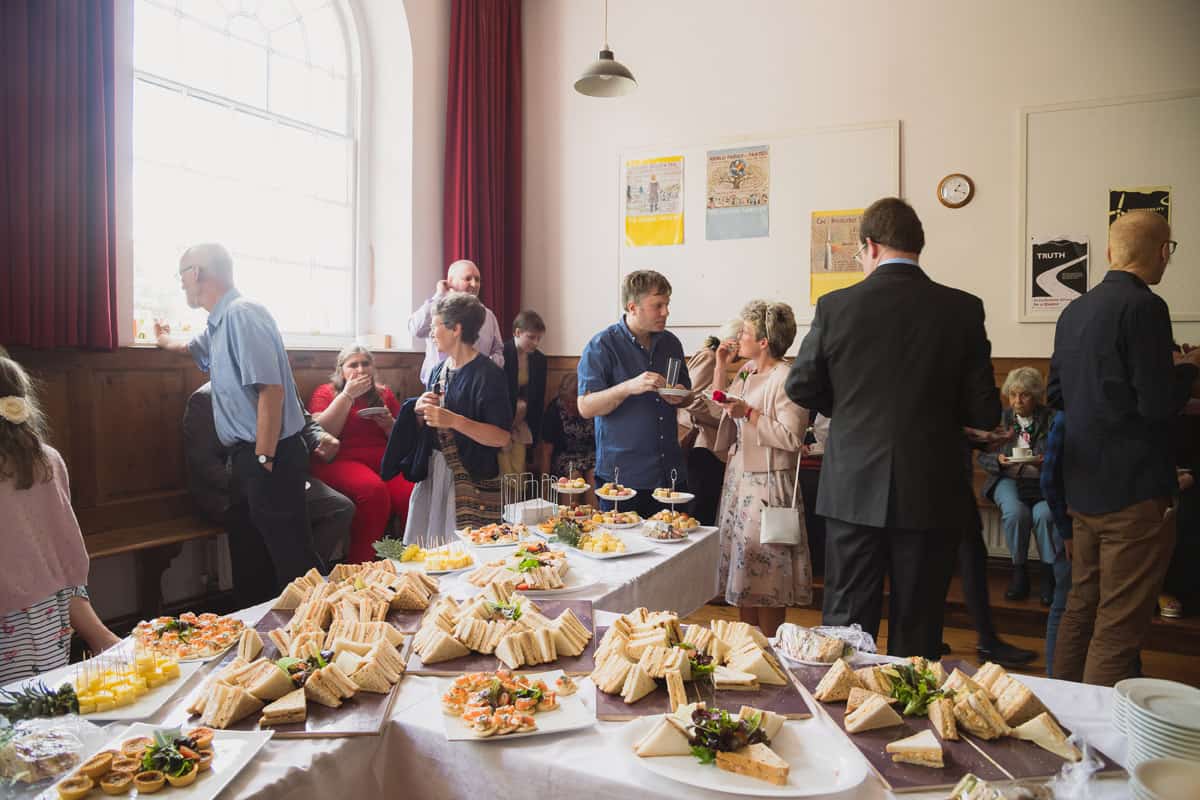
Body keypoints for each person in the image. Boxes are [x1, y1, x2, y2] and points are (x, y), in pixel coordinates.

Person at [785, 197, 1000, 658]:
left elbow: (801, 386)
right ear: (917, 246)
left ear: (870, 246)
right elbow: (985, 412)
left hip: (852, 484)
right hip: (930, 487)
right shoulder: (963, 309)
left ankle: (845, 718)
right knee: (919, 624)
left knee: (845, 623)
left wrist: (848, 410)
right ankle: (910, 724)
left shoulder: (836, 306)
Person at [1049, 209, 1200, 685]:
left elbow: (1056, 395)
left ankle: (1061, 720)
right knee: (1117, 628)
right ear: (1161, 252)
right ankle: (1095, 747)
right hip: (1133, 493)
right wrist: (1187, 369)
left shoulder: (1074, 310)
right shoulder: (1146, 307)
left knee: (1080, 610)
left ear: (1112, 252)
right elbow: (1157, 405)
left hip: (1083, 488)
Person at [155, 243, 323, 588]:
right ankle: (262, 640)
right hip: (246, 459)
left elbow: (270, 390)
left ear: (196, 273)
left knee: (294, 566)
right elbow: (190, 347)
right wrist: (163, 339)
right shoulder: (218, 323)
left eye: (182, 275)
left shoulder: (242, 314)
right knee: (251, 566)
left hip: (269, 455)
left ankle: (327, 638)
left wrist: (263, 459)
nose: (181, 284)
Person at [0, 356, 120, 684]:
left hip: (9, 620)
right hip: (47, 616)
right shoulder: (48, 460)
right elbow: (68, 555)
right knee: (37, 711)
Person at [184, 383, 354, 605]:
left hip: (283, 476)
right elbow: (205, 465)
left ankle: (295, 581)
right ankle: (275, 591)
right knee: (264, 516)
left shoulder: (280, 382)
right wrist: (260, 482)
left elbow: (304, 422)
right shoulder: (205, 399)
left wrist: (320, 438)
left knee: (339, 507)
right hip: (229, 489)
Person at [713, 301, 811, 636]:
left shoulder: (787, 378)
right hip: (740, 479)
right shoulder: (746, 371)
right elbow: (724, 407)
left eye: (746, 333)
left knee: (767, 574)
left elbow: (791, 437)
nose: (738, 337)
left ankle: (771, 646)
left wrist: (751, 414)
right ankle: (748, 645)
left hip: (769, 484)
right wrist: (720, 365)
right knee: (744, 569)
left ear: (765, 341)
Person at [577, 270, 691, 519]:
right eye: (657, 306)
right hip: (622, 477)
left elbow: (687, 394)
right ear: (633, 307)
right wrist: (627, 387)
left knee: (675, 552)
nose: (666, 312)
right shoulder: (601, 346)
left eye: (667, 304)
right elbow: (585, 407)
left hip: (670, 472)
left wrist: (682, 395)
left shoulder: (671, 343)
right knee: (623, 553)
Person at [404, 292, 513, 543]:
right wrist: (420, 409)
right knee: (430, 552)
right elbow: (430, 424)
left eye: (435, 326)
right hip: (434, 472)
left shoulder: (488, 375)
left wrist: (453, 420)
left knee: (464, 556)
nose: (431, 333)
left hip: (471, 477)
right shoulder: (437, 371)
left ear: (456, 329)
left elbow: (501, 437)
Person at [308, 345, 415, 563]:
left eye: (365, 363)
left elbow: (401, 438)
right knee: (373, 491)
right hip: (340, 460)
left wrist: (388, 425)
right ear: (342, 370)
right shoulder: (326, 393)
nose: (360, 369)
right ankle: (360, 564)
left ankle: (407, 559)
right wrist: (347, 395)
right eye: (353, 365)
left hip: (382, 460)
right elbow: (323, 432)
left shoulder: (383, 393)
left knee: (411, 492)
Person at [977, 367, 1057, 605]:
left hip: (1043, 481)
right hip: (1007, 479)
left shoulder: (1052, 418)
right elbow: (983, 455)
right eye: (1012, 395)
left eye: (1024, 395)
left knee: (1044, 515)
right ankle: (1019, 573)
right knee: (1015, 514)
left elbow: (1065, 453)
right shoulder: (1001, 418)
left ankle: (1049, 576)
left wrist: (1047, 460)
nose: (1017, 401)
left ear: (1036, 396)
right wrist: (999, 461)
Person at [681, 321, 742, 525]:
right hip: (704, 444)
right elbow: (691, 400)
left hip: (711, 445)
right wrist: (724, 418)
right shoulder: (708, 357)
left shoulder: (712, 358)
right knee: (700, 515)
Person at [408, 259, 504, 386]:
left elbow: (498, 351)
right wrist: (438, 295)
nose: (474, 284)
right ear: (451, 281)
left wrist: (483, 368)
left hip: (478, 385)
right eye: (468, 278)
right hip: (439, 386)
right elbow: (416, 329)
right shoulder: (437, 310)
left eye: (478, 279)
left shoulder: (488, 316)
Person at [1040, 410, 1073, 676]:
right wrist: (1066, 531)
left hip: (1074, 524)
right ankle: (1055, 678)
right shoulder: (1065, 418)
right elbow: (1049, 480)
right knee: (1063, 604)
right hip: (1073, 528)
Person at [499, 310, 548, 477]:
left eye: (538, 338)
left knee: (518, 470)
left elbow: (538, 398)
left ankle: (516, 503)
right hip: (501, 419)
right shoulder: (501, 354)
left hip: (523, 421)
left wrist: (536, 431)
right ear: (517, 332)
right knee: (503, 469)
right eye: (531, 337)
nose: (535, 343)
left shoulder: (539, 359)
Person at [537, 373, 597, 503]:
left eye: (572, 402)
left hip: (591, 454)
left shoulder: (591, 406)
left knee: (593, 475)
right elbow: (546, 452)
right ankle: (568, 518)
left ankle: (594, 519)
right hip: (565, 456)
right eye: (566, 401)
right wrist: (544, 491)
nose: (568, 405)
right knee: (574, 477)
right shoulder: (554, 410)